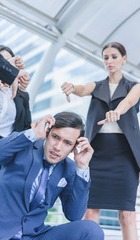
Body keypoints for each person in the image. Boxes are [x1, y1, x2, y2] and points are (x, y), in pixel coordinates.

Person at [0, 112, 104, 240]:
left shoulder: (70, 169)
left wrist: (82, 167)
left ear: (74, 147)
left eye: (67, 143)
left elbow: (74, 215)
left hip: (33, 235)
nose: (57, 147)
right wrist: (32, 134)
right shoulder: (24, 145)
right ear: (47, 133)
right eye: (55, 137)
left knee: (92, 230)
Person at [61, 42, 140, 240]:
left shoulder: (135, 86)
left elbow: (129, 101)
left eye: (114, 56)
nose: (109, 61)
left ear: (124, 59)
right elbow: (82, 89)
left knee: (127, 215)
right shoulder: (97, 86)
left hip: (125, 156)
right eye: (106, 57)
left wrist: (117, 112)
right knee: (90, 212)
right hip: (96, 155)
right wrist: (72, 87)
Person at [0, 45, 31, 198]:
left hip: (2, 150)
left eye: (9, 61)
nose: (6, 64)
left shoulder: (22, 95)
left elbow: (25, 126)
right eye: (1, 60)